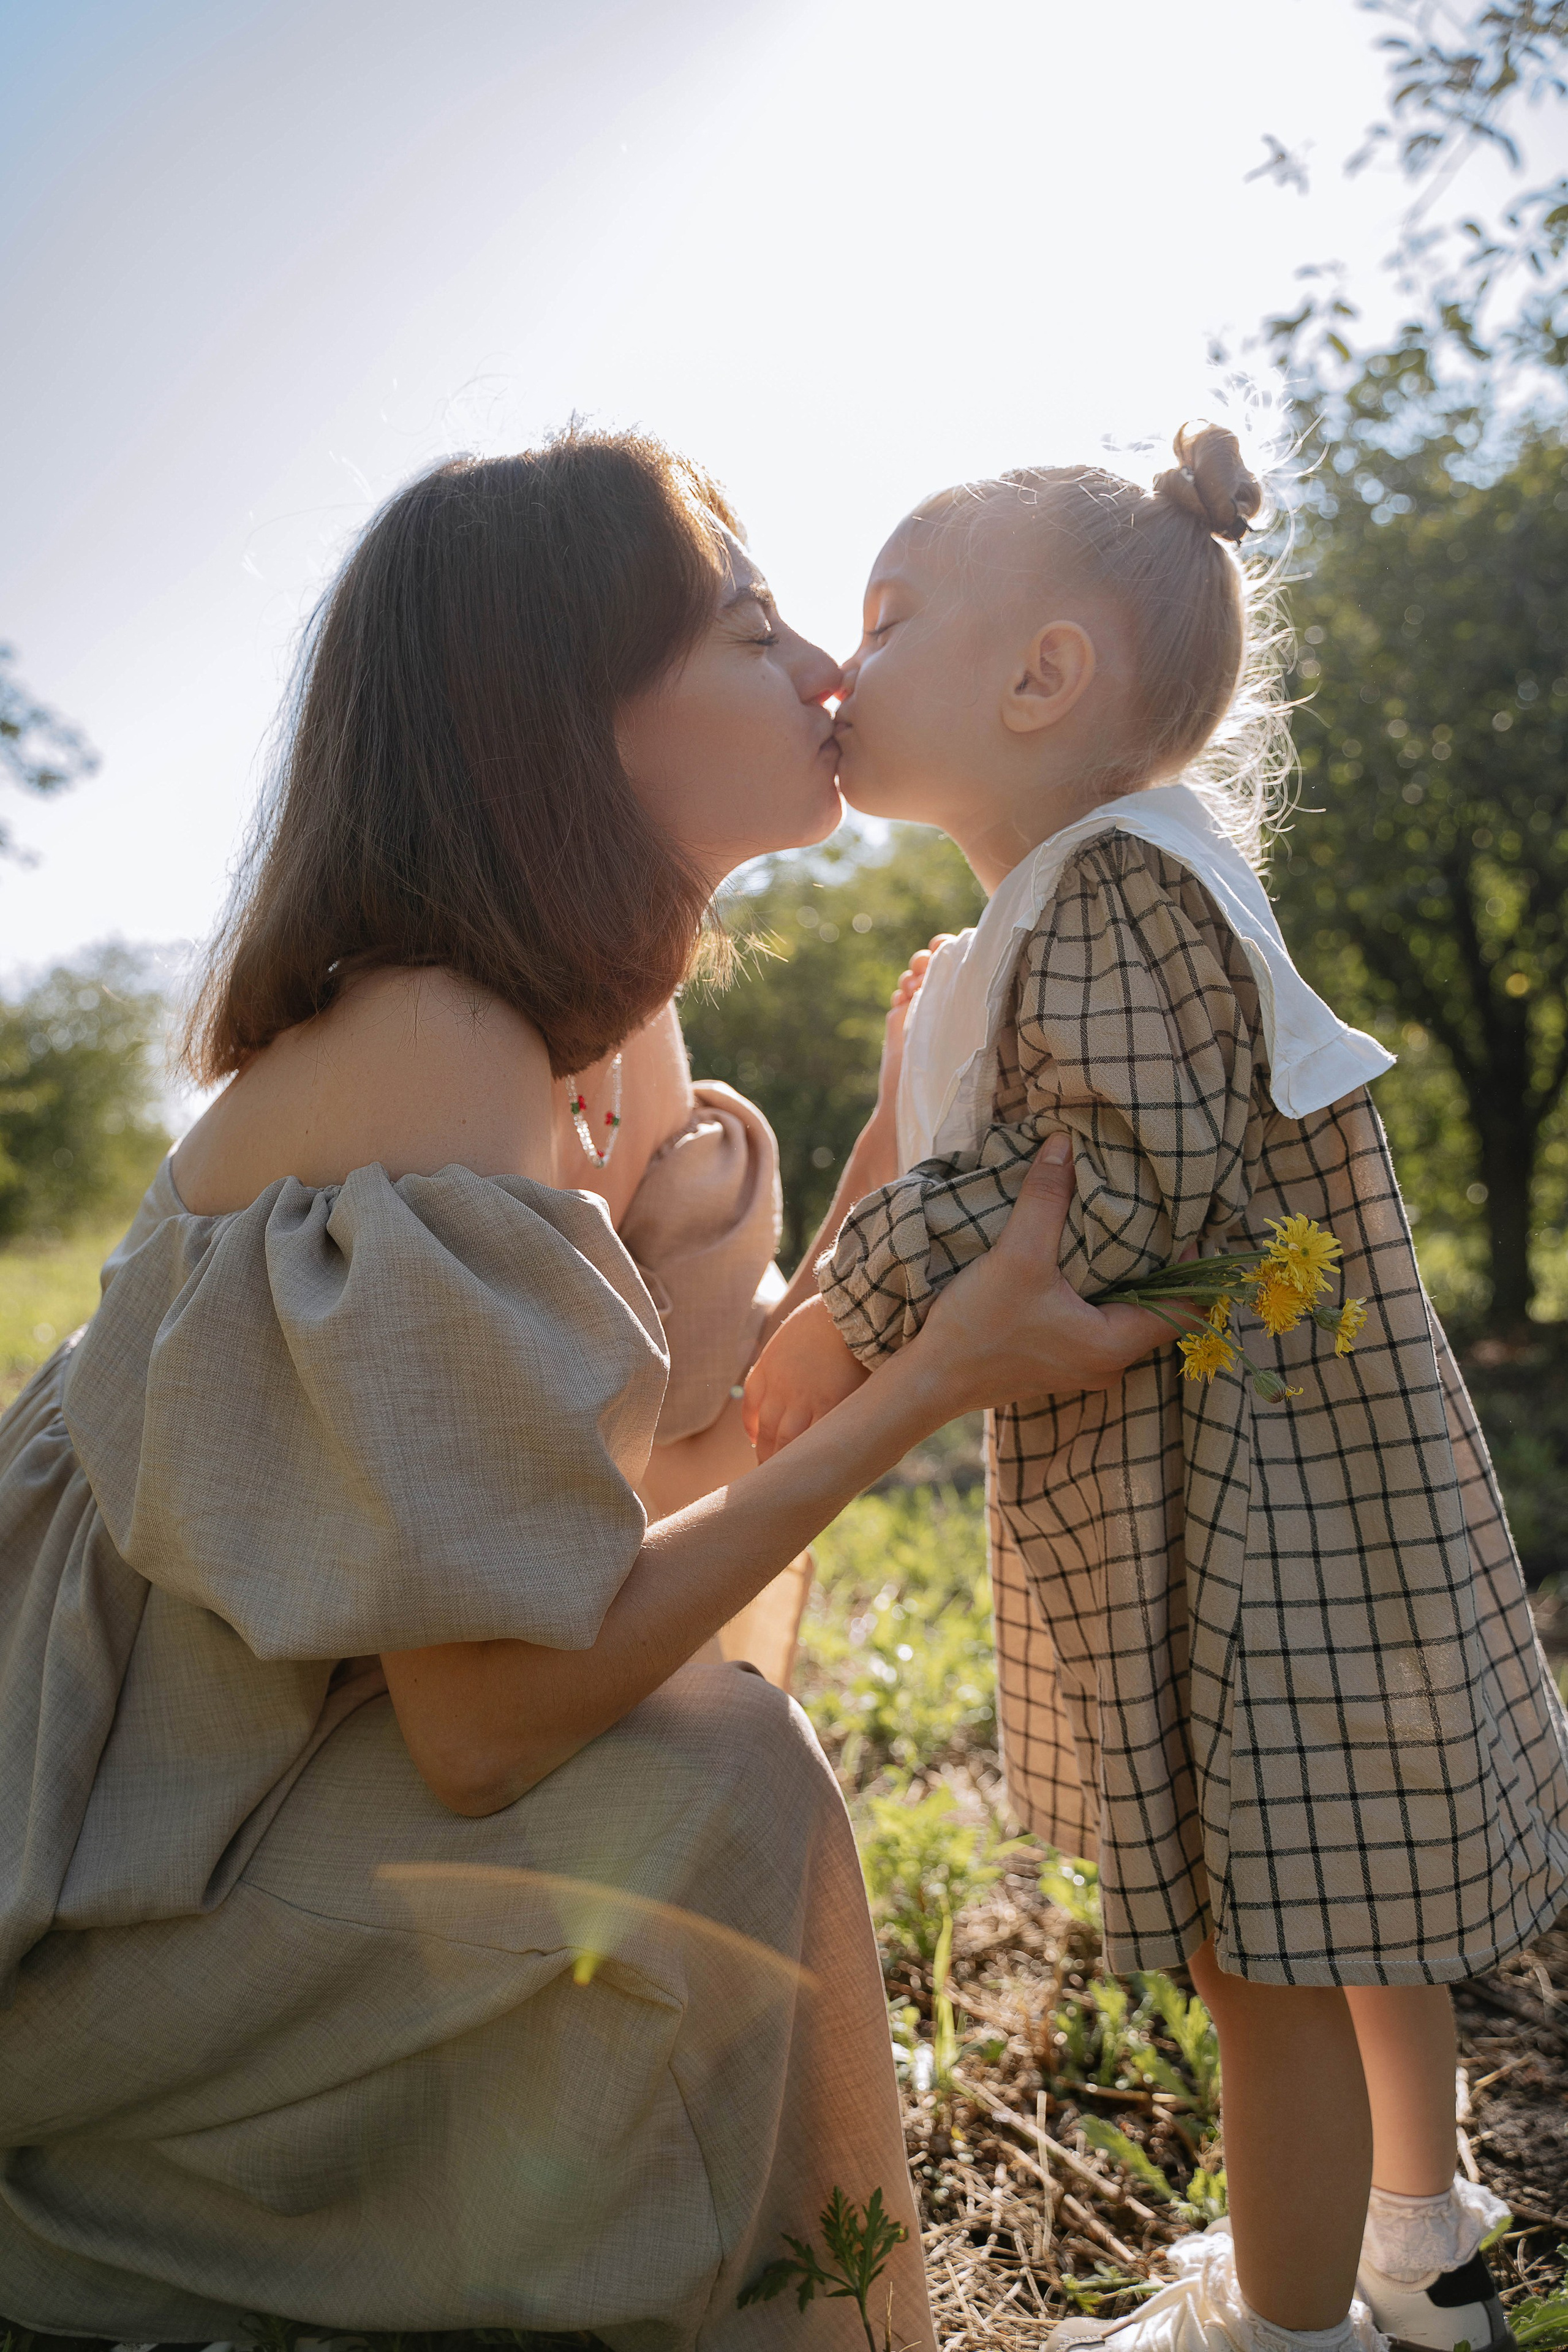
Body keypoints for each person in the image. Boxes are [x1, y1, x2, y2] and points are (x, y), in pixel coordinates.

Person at [0, 429, 1172, 2348]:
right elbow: (489, 1727)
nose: (824, 675)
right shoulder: (436, 1042)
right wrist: (935, 1384)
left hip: (274, 1792)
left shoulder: (610, 1034)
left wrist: (899, 1150)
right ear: (569, 715)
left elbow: (658, 1518)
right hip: (120, 1907)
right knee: (720, 1779)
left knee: (709, 1752)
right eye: (749, 629)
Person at [744, 425, 1568, 2352]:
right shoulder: (1092, 891)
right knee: (1345, 1886)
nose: (843, 673)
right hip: (1301, 1489)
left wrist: (847, 1308)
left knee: (1259, 1939)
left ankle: (1290, 2331)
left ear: (1043, 680)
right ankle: (1417, 2241)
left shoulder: (1109, 895)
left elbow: (1102, 1186)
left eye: (884, 621)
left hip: (1237, 1519)